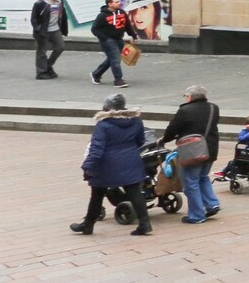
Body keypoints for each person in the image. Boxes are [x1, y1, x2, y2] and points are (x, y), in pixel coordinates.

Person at [69, 93, 150, 236]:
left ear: (107, 108)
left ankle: (88, 224)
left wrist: (88, 166)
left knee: (97, 193)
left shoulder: (104, 125)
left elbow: (97, 149)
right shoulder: (136, 121)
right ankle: (145, 223)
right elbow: (141, 141)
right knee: (134, 191)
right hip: (131, 160)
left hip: (107, 164)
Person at [158, 85, 222, 225]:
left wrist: (163, 140)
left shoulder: (185, 110)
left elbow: (172, 129)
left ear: (190, 97)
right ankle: (212, 204)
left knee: (191, 182)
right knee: (203, 177)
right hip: (210, 148)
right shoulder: (213, 108)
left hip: (193, 151)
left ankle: (196, 215)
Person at [89, 0, 138, 86]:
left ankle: (96, 74)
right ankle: (118, 80)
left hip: (119, 39)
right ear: (109, 4)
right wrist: (104, 38)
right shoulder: (102, 15)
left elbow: (127, 25)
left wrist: (133, 36)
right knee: (116, 59)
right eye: (116, 2)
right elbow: (94, 29)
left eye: (119, 1)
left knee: (112, 59)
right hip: (108, 41)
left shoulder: (122, 12)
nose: (119, 3)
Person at [32, 0, 67, 79]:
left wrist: (63, 28)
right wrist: (38, 30)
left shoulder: (60, 2)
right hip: (43, 31)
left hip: (55, 29)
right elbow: (34, 19)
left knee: (60, 47)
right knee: (42, 52)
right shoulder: (40, 4)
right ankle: (41, 73)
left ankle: (47, 66)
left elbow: (62, 16)